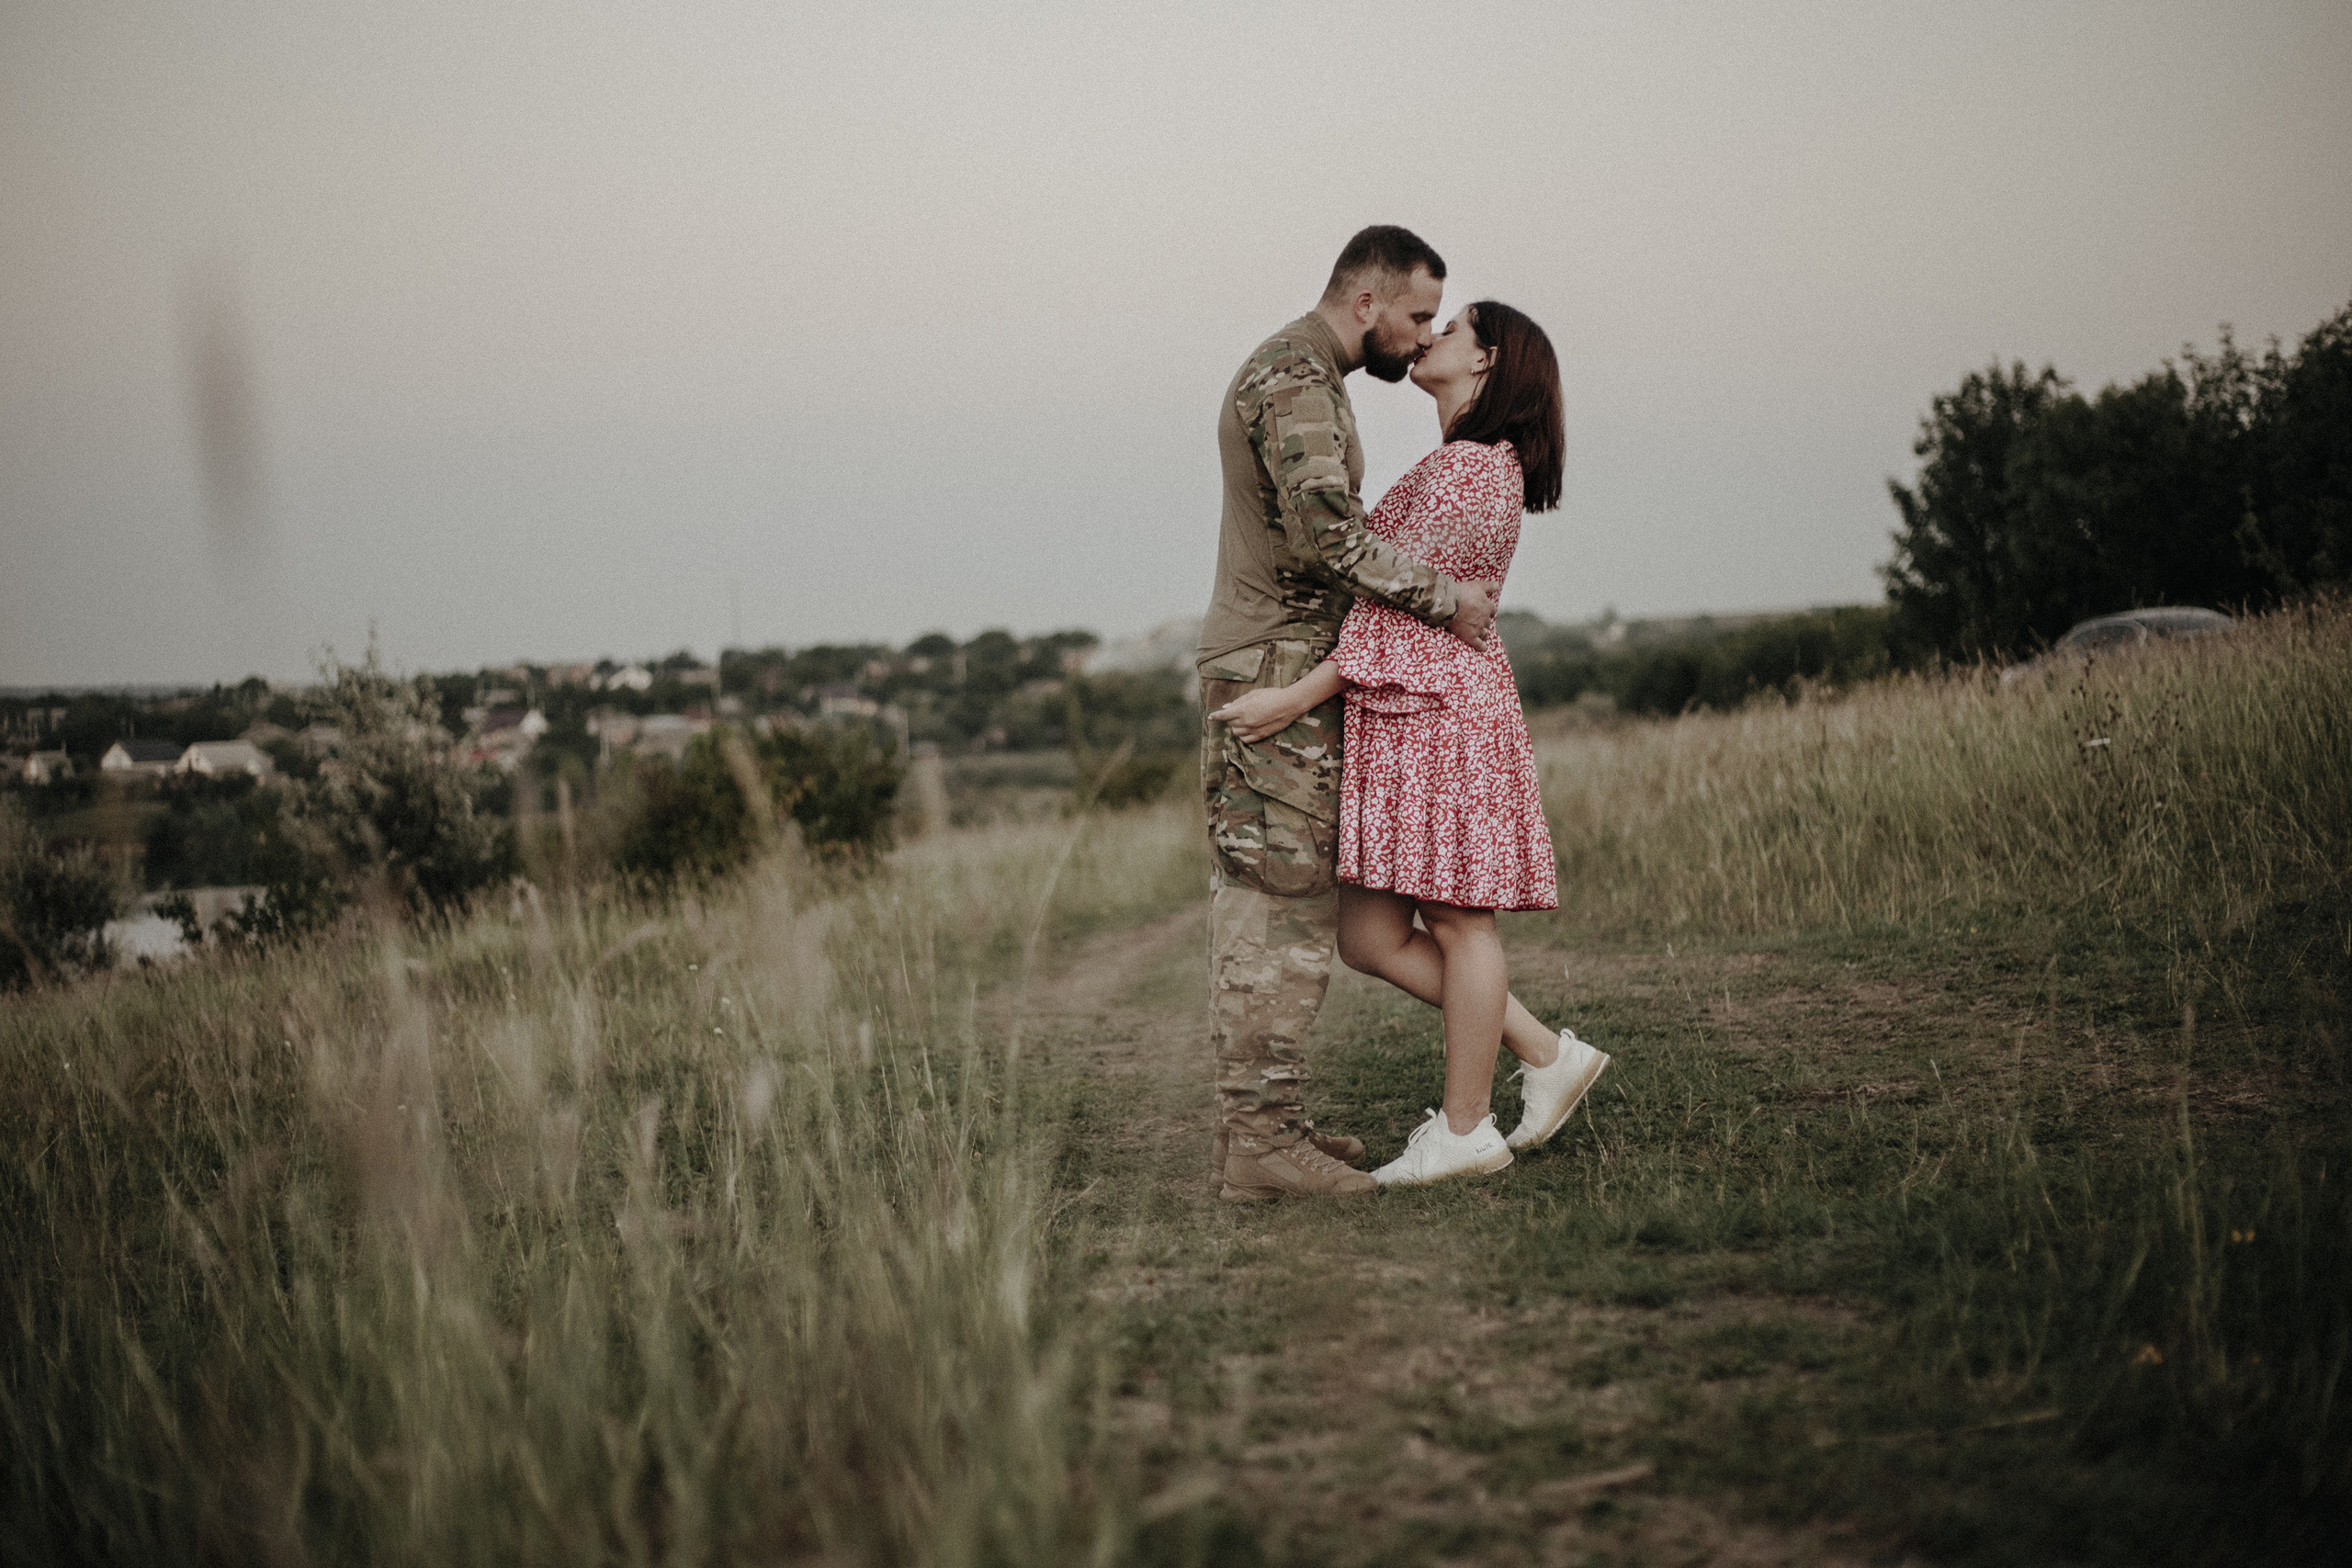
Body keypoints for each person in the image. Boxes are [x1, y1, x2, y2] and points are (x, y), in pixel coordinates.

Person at [1210, 299, 1609, 1190]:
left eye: (1452, 325)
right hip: (1404, 713)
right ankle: (1546, 1055)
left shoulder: (1473, 469)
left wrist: (1293, 698)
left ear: (1489, 361)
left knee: (1461, 921)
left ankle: (1465, 1130)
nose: (1429, 336)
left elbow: (1397, 610)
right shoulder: (1457, 463)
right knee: (1371, 935)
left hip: (1438, 715)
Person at [1200, 225, 1504, 1203]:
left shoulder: (1308, 375)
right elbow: (1329, 535)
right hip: (1273, 661)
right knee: (1274, 904)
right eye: (1417, 316)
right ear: (1365, 301)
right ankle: (1258, 1144)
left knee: (1288, 897)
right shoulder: (1295, 376)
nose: (1421, 339)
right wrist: (1443, 598)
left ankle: (1270, 1129)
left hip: (1284, 656)